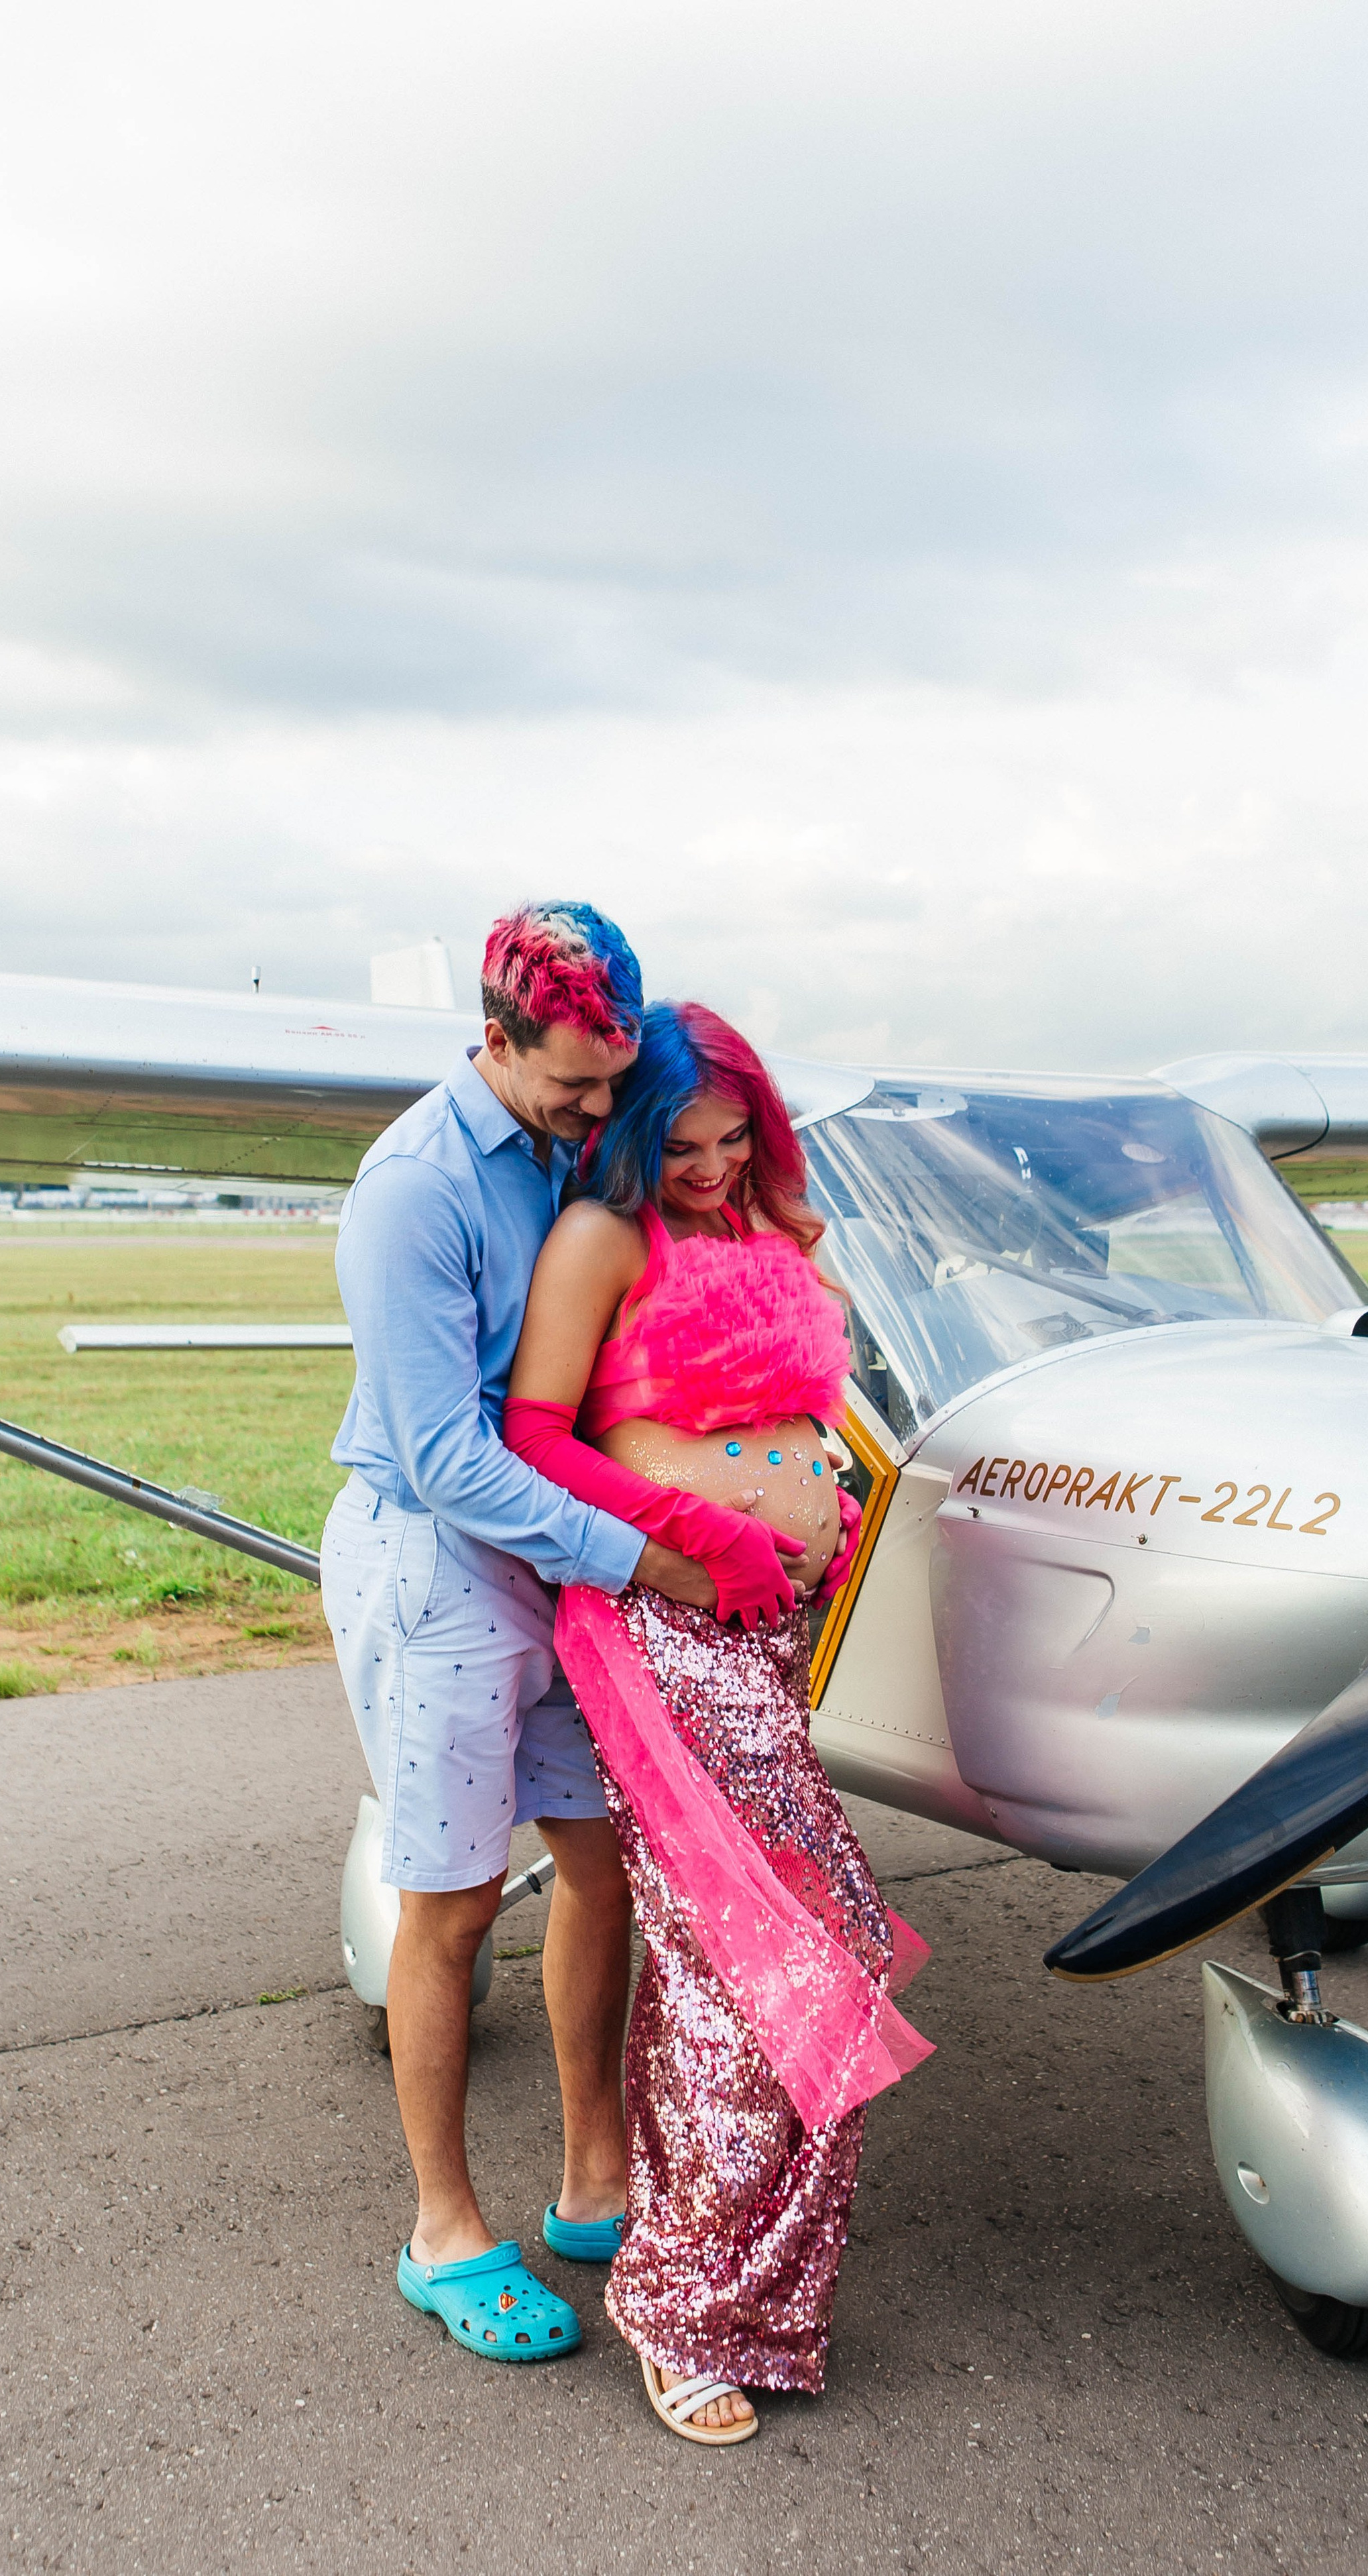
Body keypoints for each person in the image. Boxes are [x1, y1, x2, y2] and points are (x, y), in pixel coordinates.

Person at [322, 908, 805, 2367]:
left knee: (600, 1864)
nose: (604, 1118)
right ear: (494, 1038)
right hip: (443, 1560)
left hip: (561, 1562)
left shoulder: (567, 1153)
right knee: (453, 1900)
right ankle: (444, 2229)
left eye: (618, 1093)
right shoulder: (414, 1188)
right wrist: (663, 1548)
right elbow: (447, 1457)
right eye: (575, 1092)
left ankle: (598, 2180)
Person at [504, 1001, 929, 2446]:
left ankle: (743, 2293)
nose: (705, 1164)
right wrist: (696, 1533)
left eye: (730, 1134)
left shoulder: (763, 1230)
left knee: (790, 1952)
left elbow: (802, 1411)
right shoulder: (600, 1238)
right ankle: (682, 2299)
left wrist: (827, 1502)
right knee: (755, 1964)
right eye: (676, 1141)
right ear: (628, 1135)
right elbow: (535, 1434)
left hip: (763, 1629)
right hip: (661, 1622)